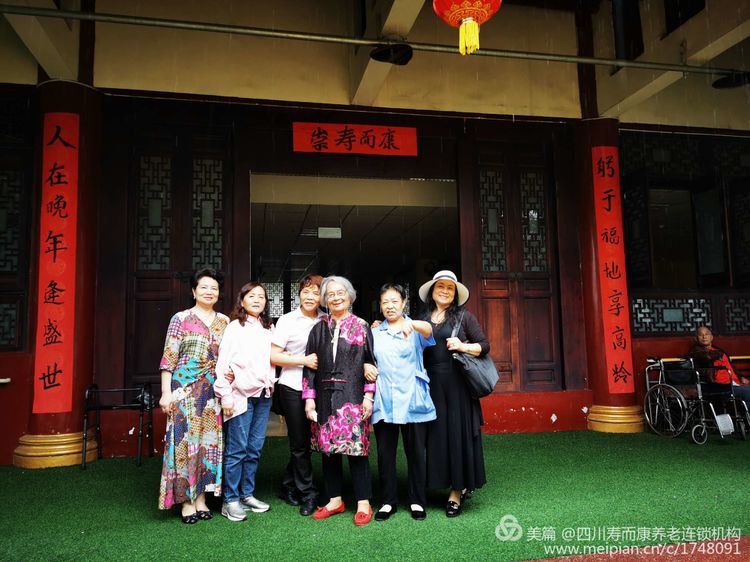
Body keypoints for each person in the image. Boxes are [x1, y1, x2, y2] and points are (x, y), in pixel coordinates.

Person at [302, 275, 377, 526]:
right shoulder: (318, 328)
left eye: (340, 293)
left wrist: (368, 396)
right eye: (330, 294)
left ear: (349, 295)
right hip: (324, 396)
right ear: (325, 300)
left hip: (353, 396)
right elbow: (310, 367)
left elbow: (371, 363)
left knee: (357, 450)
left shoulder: (361, 325)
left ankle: (363, 502)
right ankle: (335, 500)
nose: (335, 298)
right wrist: (309, 399)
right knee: (328, 451)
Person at [158, 268, 229, 524]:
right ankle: (186, 501)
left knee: (208, 444)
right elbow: (169, 357)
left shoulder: (225, 321)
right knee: (184, 443)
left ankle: (201, 498)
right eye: (204, 287)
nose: (209, 292)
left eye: (214, 288)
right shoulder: (181, 318)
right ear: (194, 291)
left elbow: (229, 358)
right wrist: (166, 393)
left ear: (219, 293)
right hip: (183, 391)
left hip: (212, 392)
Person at [419, 270, 489, 518]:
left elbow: (485, 345)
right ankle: (438, 482)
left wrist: (463, 346)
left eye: (450, 288)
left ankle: (457, 491)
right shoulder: (422, 318)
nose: (445, 291)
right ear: (432, 291)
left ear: (455, 294)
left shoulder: (464, 316)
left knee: (457, 436)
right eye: (441, 286)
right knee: (436, 436)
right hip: (430, 385)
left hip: (458, 385)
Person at [371, 283, 436, 522]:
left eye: (394, 301)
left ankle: (417, 500)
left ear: (404, 302)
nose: (390, 306)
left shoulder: (416, 328)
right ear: (380, 305)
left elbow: (429, 330)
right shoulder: (374, 333)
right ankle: (388, 502)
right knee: (385, 454)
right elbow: (367, 359)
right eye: (385, 302)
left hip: (412, 398)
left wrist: (414, 324)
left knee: (416, 453)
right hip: (384, 399)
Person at [213, 282, 275, 522]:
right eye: (252, 296)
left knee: (254, 448)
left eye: (261, 296)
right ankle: (230, 500)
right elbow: (222, 365)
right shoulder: (234, 328)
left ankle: (246, 494)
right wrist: (225, 395)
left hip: (263, 395)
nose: (257, 300)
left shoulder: (268, 328)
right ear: (242, 300)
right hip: (239, 395)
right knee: (237, 449)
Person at [270, 274, 324, 517]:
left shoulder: (327, 319)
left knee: (310, 441)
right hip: (293, 386)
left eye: (316, 292)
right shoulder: (288, 320)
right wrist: (303, 360)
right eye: (306, 291)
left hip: (320, 389)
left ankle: (287, 485)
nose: (310, 296)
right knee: (299, 443)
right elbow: (274, 356)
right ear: (299, 294)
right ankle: (308, 492)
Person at [688, 325, 750, 404]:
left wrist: (740, 377)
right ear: (696, 338)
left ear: (711, 337)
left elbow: (731, 367)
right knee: (748, 391)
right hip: (720, 387)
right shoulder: (696, 353)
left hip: (733, 382)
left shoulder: (719, 351)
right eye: (701, 335)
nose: (704, 337)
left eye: (707, 334)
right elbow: (707, 358)